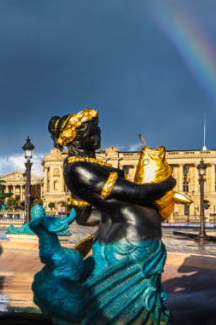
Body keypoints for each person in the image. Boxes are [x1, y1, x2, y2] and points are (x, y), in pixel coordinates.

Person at [47, 109, 174, 324]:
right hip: (129, 244)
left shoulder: (95, 165)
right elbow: (140, 193)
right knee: (129, 309)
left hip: (136, 241)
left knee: (141, 306)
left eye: (99, 130)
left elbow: (85, 217)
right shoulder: (79, 169)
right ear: (77, 136)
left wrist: (112, 215)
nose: (99, 135)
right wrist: (169, 182)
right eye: (94, 132)